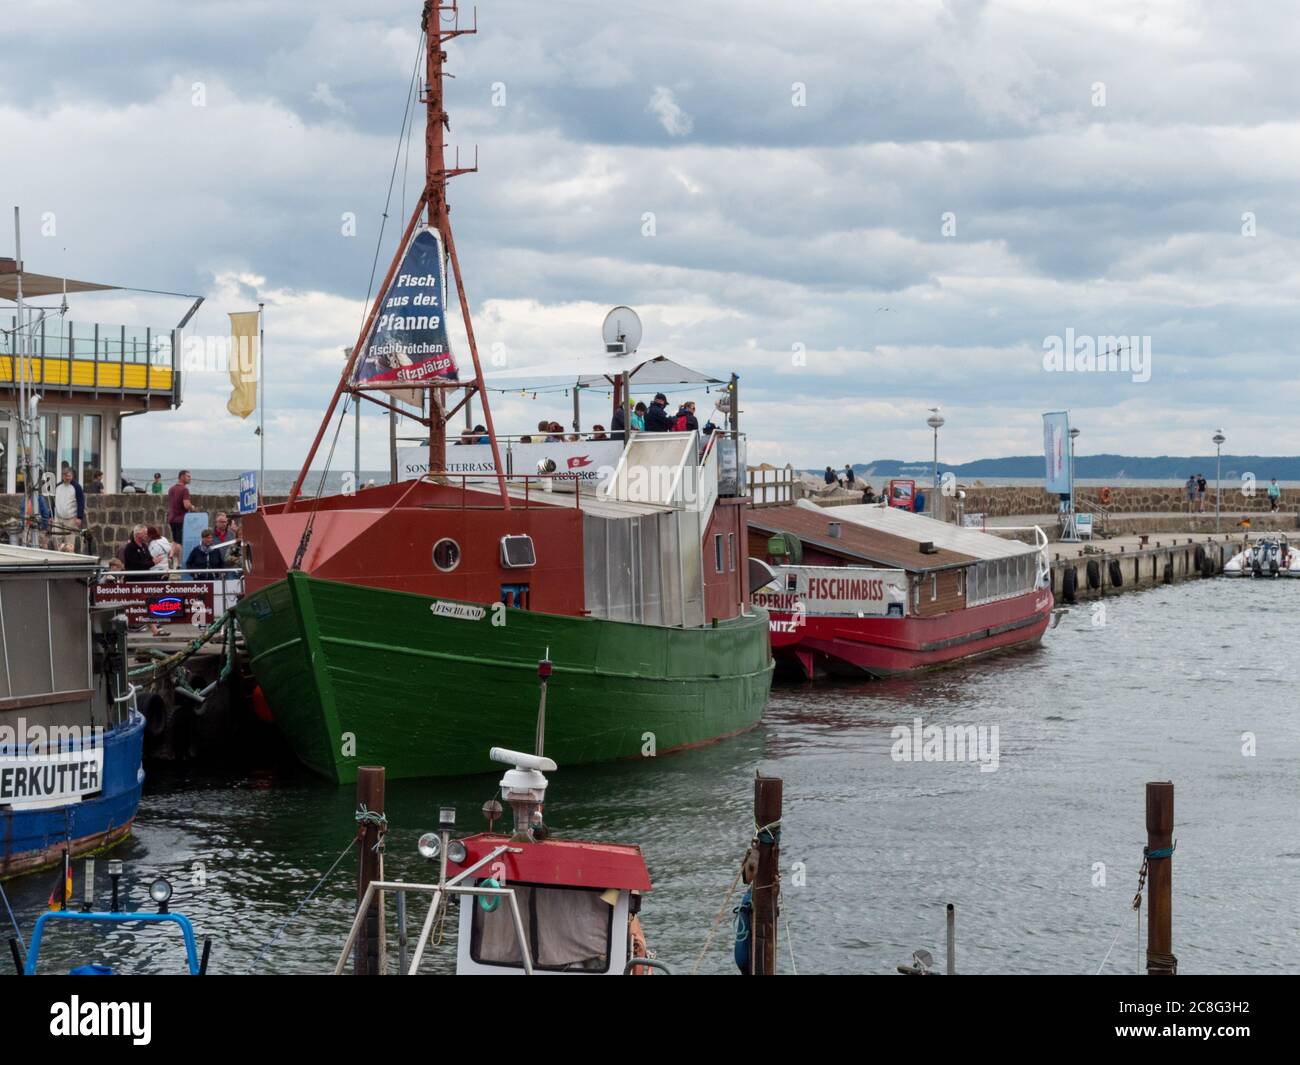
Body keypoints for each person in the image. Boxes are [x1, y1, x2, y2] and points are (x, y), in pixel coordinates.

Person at [52, 466, 86, 551]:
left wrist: (79, 517)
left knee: (70, 541)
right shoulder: (58, 486)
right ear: (62, 476)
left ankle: (70, 557)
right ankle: (58, 556)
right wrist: (51, 515)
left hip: (71, 519)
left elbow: (80, 502)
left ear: (72, 476)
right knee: (56, 538)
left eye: (69, 475)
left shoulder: (77, 487)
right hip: (58, 518)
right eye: (65, 475)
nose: (67, 478)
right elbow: (54, 502)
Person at [167, 470, 193, 543]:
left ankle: (172, 555)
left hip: (172, 518)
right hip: (181, 519)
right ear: (182, 477)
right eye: (188, 476)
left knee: (175, 541)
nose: (190, 478)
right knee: (180, 542)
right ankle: (178, 554)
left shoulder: (171, 489)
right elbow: (186, 505)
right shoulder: (185, 490)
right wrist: (192, 507)